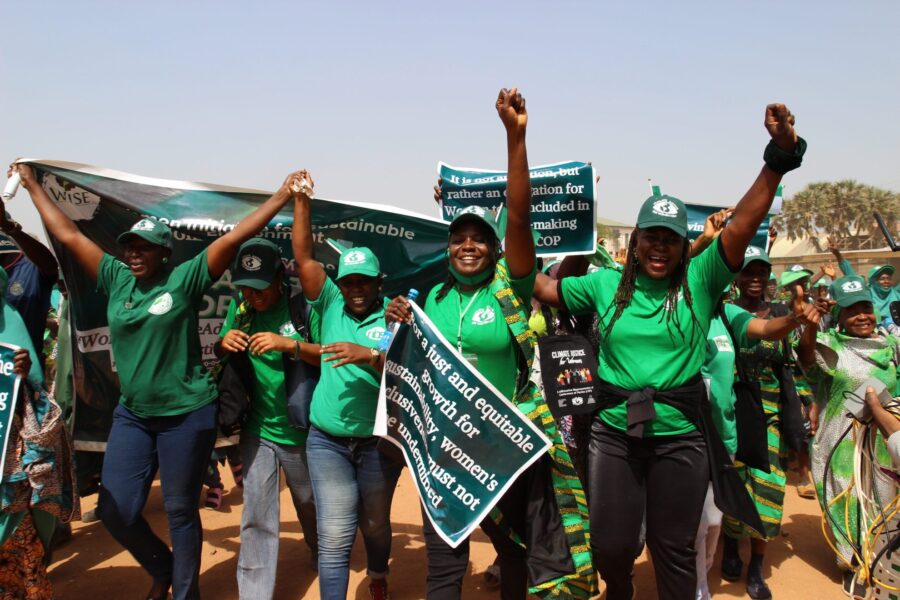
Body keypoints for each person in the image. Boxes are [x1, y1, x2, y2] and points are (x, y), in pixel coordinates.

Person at [532, 103, 806, 600]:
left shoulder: (701, 282)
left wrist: (778, 158)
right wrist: (512, 212)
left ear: (684, 246)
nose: (660, 247)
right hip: (614, 434)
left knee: (673, 549)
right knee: (611, 548)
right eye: (651, 237)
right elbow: (534, 284)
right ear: (636, 242)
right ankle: (620, 589)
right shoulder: (603, 285)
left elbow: (743, 223)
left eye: (670, 239)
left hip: (681, 439)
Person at [12, 162, 298, 600]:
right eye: (130, 246)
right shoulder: (115, 277)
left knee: (182, 510)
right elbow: (69, 236)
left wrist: (282, 196)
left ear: (165, 254)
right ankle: (161, 565)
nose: (134, 253)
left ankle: (185, 592)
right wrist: (32, 186)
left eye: (145, 248)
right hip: (134, 414)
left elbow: (234, 237)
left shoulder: (185, 279)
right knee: (115, 508)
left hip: (187, 413)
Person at [387, 88, 594, 599]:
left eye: (479, 238)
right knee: (444, 565)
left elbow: (519, 217)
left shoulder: (513, 288)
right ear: (449, 246)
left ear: (495, 247)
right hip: (447, 451)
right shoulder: (431, 296)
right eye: (459, 238)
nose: (468, 245)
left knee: (517, 555)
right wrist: (399, 324)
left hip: (507, 447)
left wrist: (515, 136)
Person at [292, 170, 402, 600]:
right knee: (335, 535)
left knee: (374, 522)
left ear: (378, 283)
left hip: (376, 443)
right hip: (328, 441)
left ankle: (377, 574)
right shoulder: (331, 302)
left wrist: (370, 356)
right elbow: (303, 258)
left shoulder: (393, 317)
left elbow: (401, 376)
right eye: (349, 281)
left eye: (364, 282)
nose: (355, 289)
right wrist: (301, 200)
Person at [215, 238, 320, 598]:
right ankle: (254, 592)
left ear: (280, 279)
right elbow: (225, 351)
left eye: (260, 288)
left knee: (308, 502)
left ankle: (319, 547)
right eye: (246, 287)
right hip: (257, 430)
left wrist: (287, 344)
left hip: (301, 433)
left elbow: (328, 357)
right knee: (257, 514)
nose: (253, 296)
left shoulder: (301, 310)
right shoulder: (240, 310)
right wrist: (223, 341)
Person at [718, 247, 816, 600]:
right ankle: (731, 545)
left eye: (762, 272)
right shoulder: (724, 315)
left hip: (772, 415)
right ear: (737, 278)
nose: (756, 279)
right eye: (749, 273)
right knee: (735, 483)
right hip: (733, 413)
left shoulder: (782, 314)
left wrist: (806, 400)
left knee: (769, 488)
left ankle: (757, 566)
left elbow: (794, 363)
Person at [797, 274, 899, 598]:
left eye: (866, 307)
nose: (862, 316)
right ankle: (853, 565)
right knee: (847, 504)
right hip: (839, 447)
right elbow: (806, 358)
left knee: (882, 504)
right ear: (838, 316)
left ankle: (878, 560)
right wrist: (811, 326)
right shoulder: (832, 346)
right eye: (852, 310)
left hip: (882, 447)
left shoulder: (892, 347)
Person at [0, 265, 78, 598]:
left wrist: (23, 378)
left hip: (8, 471)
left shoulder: (9, 324)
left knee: (18, 553)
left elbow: (40, 411)